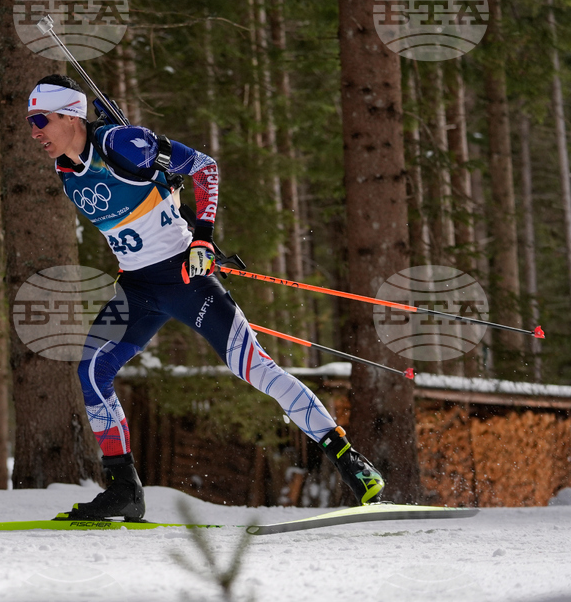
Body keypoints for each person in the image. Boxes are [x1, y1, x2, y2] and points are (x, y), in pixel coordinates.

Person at [26, 75, 385, 521]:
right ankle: (124, 489)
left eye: (41, 120)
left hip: (184, 278)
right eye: (31, 122)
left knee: (254, 367)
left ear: (70, 115)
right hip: (136, 289)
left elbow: (205, 167)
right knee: (92, 370)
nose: (35, 131)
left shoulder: (121, 143)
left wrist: (203, 237)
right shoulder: (65, 168)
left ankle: (348, 459)